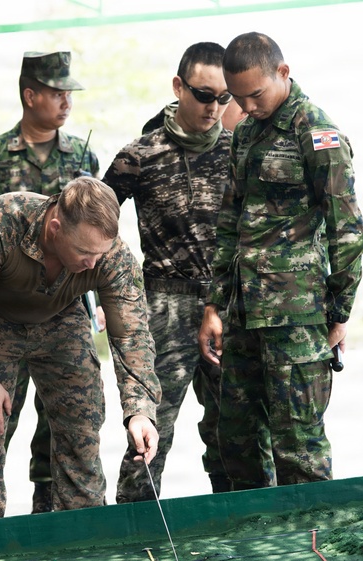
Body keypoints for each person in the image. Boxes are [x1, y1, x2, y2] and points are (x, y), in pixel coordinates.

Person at [198, 32, 363, 490]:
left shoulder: (316, 132)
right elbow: (230, 222)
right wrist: (215, 304)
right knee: (236, 440)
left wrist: (338, 314)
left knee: (299, 449)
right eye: (238, 97)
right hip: (242, 316)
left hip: (296, 318)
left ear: (283, 73)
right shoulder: (246, 134)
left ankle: (308, 547)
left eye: (256, 94)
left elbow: (348, 231)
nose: (248, 107)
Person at [0, 177, 159, 521]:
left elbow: (131, 334)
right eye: (84, 252)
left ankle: (83, 539)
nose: (92, 263)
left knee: (82, 430)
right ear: (55, 228)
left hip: (61, 320)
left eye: (99, 253)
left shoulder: (111, 255)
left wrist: (140, 409)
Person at [0, 50, 99, 513]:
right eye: (56, 93)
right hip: (3, 315)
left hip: (64, 310)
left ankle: (50, 517)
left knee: (69, 427)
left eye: (69, 93)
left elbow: (95, 234)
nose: (65, 102)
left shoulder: (81, 154)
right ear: (29, 94)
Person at [104, 42, 240, 502]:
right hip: (164, 305)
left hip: (226, 304)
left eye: (225, 98)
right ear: (179, 86)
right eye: (204, 95)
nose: (214, 107)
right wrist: (108, 295)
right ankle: (133, 531)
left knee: (237, 433)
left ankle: (243, 528)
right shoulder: (139, 156)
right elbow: (95, 226)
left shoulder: (239, 153)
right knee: (150, 432)